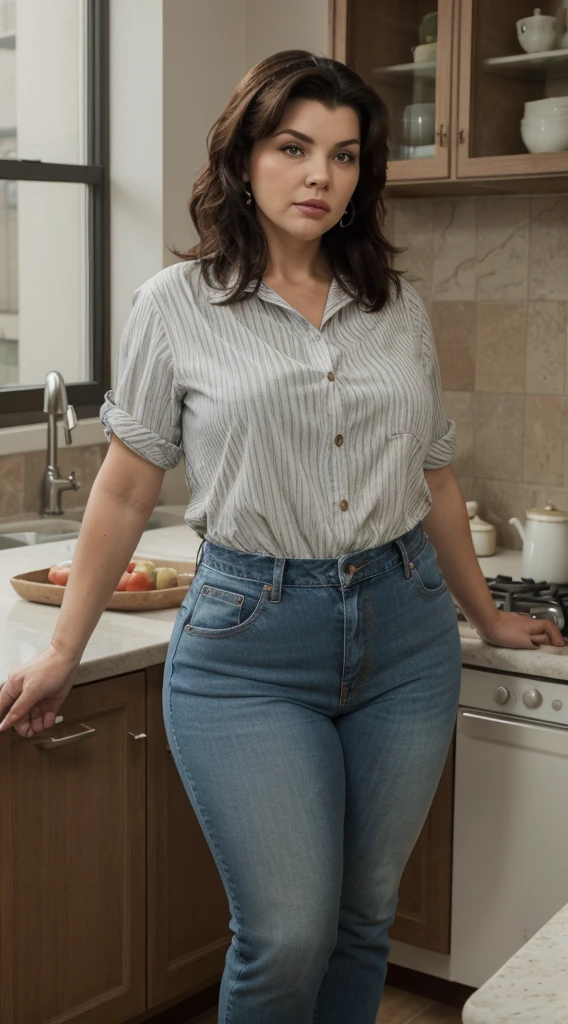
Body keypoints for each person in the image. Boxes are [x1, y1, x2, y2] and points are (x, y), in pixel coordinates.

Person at [0, 49, 565, 1024]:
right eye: (293, 147)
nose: (319, 175)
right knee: (286, 932)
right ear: (243, 158)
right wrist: (64, 649)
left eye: (344, 156)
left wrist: (485, 616)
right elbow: (128, 485)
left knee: (361, 918)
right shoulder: (173, 306)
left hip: (405, 634)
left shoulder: (396, 306)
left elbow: (432, 476)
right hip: (247, 644)